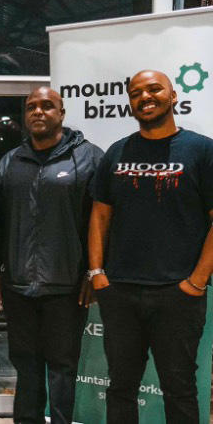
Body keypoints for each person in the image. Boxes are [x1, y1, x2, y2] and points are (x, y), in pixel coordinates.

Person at [88, 70, 213, 424]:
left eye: (154, 89)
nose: (144, 97)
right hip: (121, 291)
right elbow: (100, 216)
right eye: (135, 93)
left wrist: (197, 281)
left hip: (178, 294)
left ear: (173, 96)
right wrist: (97, 272)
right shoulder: (117, 151)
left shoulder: (202, 150)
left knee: (180, 389)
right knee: (120, 387)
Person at [0, 87, 103, 424]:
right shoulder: (10, 162)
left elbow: (101, 221)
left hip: (67, 286)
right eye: (31, 107)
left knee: (63, 368)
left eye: (47, 106)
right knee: (26, 364)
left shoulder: (89, 158)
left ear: (62, 114)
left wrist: (94, 270)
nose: (38, 112)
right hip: (18, 285)